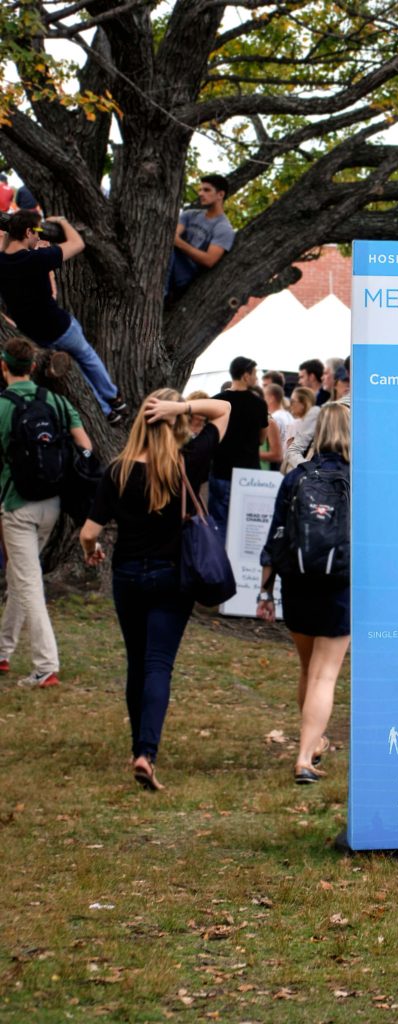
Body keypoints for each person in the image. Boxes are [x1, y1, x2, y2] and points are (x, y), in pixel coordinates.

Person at [79, 390, 230, 791]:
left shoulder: (118, 470)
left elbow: (89, 532)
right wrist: (181, 407)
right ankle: (147, 752)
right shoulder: (185, 463)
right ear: (176, 424)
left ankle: (137, 749)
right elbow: (224, 408)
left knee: (136, 661)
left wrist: (92, 552)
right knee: (158, 664)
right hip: (170, 576)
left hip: (127, 575)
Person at [257, 403, 350, 784]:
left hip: (296, 582)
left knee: (307, 669)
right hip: (339, 584)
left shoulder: (295, 478)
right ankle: (304, 757)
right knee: (324, 676)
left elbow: (275, 537)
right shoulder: (360, 479)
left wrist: (265, 589)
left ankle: (313, 744)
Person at [0, 336, 93, 688]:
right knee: (20, 576)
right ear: (36, 366)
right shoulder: (56, 401)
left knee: (27, 581)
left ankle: (45, 666)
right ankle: (3, 650)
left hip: (16, 505)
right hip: (51, 505)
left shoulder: (2, 406)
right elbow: (86, 446)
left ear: (4, 367)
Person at [0, 210, 126, 424]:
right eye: (37, 232)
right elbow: (78, 243)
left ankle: (106, 412)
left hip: (35, 335)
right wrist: (63, 222)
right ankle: (113, 397)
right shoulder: (38, 259)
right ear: (28, 232)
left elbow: (5, 248)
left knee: (76, 370)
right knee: (86, 357)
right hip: (60, 326)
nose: (39, 237)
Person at [208, 356, 268, 541]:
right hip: (249, 474)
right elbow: (262, 438)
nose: (256, 378)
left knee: (219, 524)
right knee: (246, 526)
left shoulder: (217, 401)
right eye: (255, 373)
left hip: (221, 471)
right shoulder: (258, 404)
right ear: (245, 375)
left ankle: (219, 566)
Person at [166, 174, 235, 299]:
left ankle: (160, 295)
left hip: (186, 274)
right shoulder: (189, 215)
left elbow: (209, 260)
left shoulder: (224, 228)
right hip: (170, 263)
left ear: (220, 195)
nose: (201, 194)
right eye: (200, 190)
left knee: (169, 250)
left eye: (206, 190)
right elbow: (172, 237)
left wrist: (179, 243)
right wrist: (176, 241)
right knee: (165, 247)